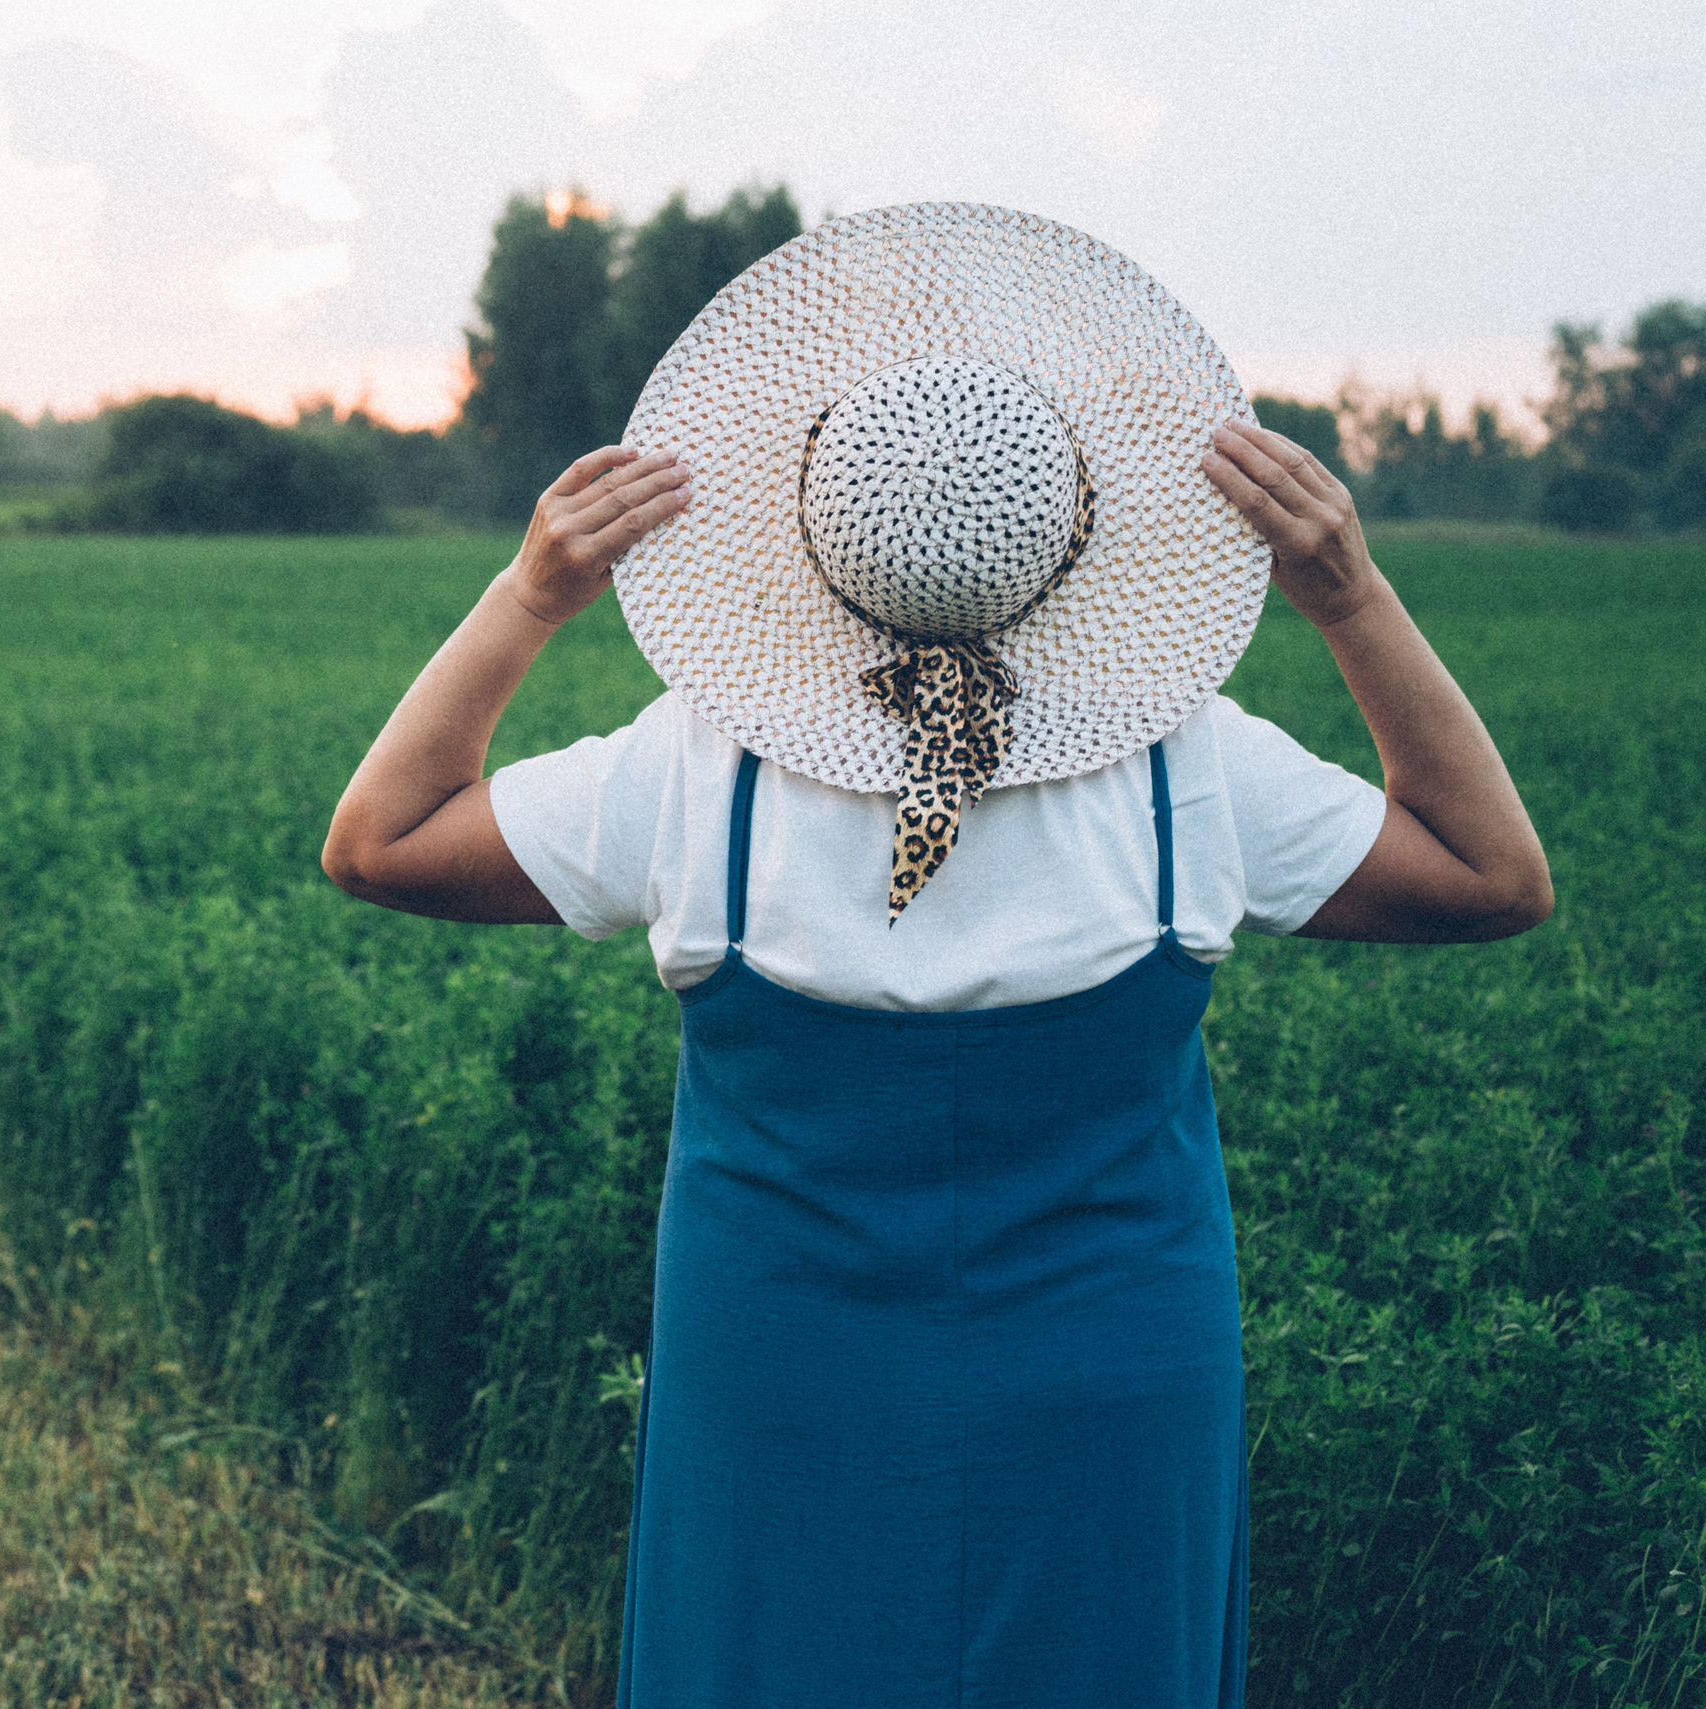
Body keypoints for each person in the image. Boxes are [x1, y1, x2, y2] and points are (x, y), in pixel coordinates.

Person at [323, 204, 1549, 1708]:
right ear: (1078, 532)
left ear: (811, 523)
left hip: (776, 1379)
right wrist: (1349, 595)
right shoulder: (1191, 777)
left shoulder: (698, 773)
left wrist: (531, 597)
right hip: (1114, 1380)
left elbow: (377, 841)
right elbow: (1495, 874)